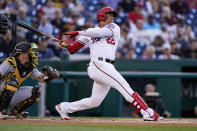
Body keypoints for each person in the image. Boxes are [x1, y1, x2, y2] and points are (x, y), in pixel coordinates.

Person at [56, 7, 163, 121]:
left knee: (95, 101)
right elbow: (73, 49)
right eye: (110, 14)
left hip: (106, 66)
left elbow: (99, 32)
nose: (113, 17)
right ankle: (147, 112)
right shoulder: (89, 32)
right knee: (125, 88)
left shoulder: (113, 27)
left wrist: (78, 32)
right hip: (99, 64)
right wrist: (67, 45)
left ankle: (64, 107)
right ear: (102, 16)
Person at [0, 42, 59, 119]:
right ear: (23, 53)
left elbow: (42, 79)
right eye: (31, 51)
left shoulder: (30, 67)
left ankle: (14, 112)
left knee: (36, 91)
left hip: (10, 93)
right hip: (2, 90)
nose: (34, 53)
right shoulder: (10, 62)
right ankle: (1, 111)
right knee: (13, 82)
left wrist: (50, 76)